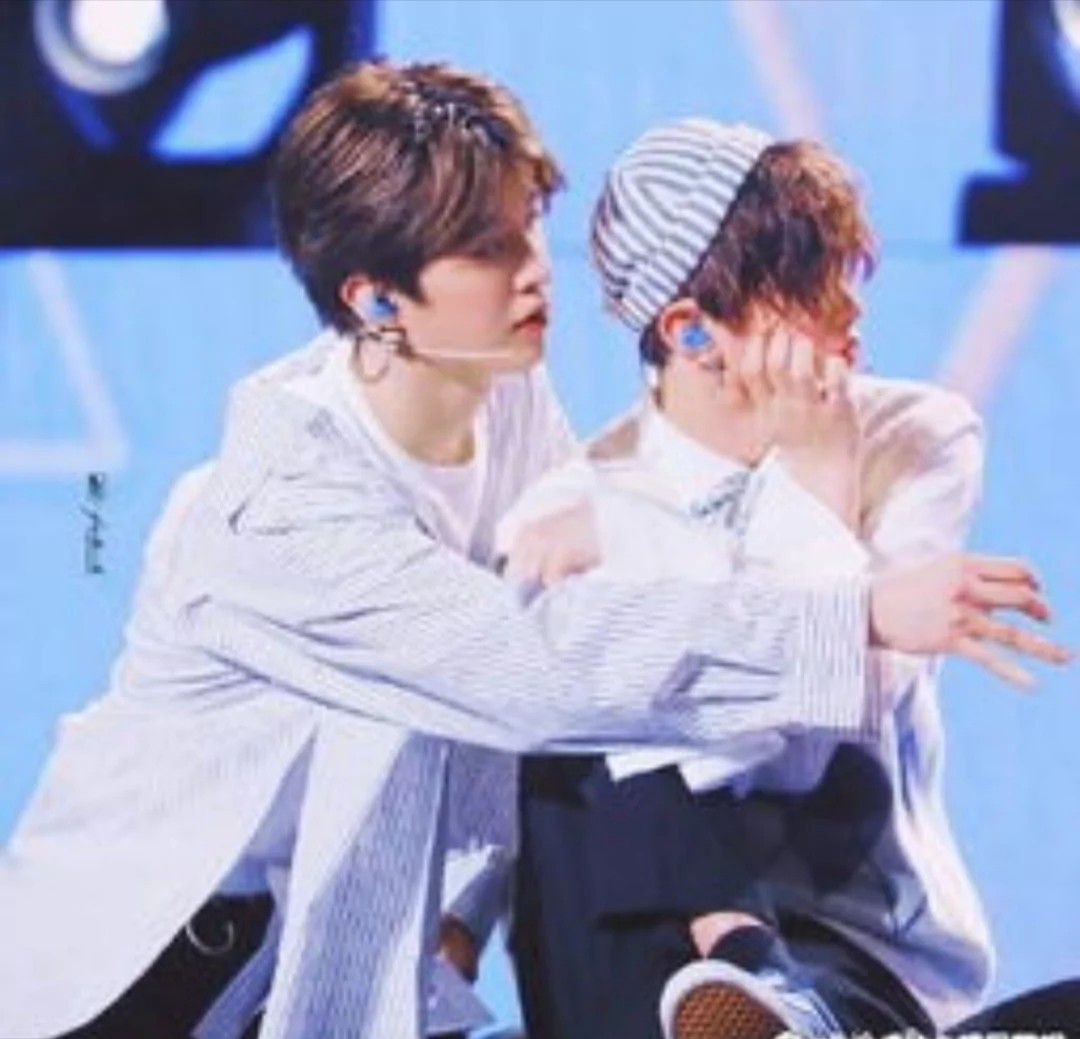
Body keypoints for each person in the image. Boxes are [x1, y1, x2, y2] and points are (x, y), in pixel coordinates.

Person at [0, 66, 1063, 1039]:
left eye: (528, 228)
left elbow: (521, 718)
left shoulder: (501, 399)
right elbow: (529, 667)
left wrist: (459, 925)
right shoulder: (278, 514)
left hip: (316, 964)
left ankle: (765, 984)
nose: (532, 275)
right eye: (487, 249)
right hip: (136, 981)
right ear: (376, 300)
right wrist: (857, 610)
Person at [501, 118, 1073, 1039]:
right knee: (584, 711)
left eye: (846, 268)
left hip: (857, 940)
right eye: (812, 279)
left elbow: (829, 724)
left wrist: (816, 470)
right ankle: (742, 966)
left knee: (647, 689)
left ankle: (773, 992)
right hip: (633, 961)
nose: (850, 309)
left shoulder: (914, 435)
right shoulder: (568, 506)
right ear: (691, 329)